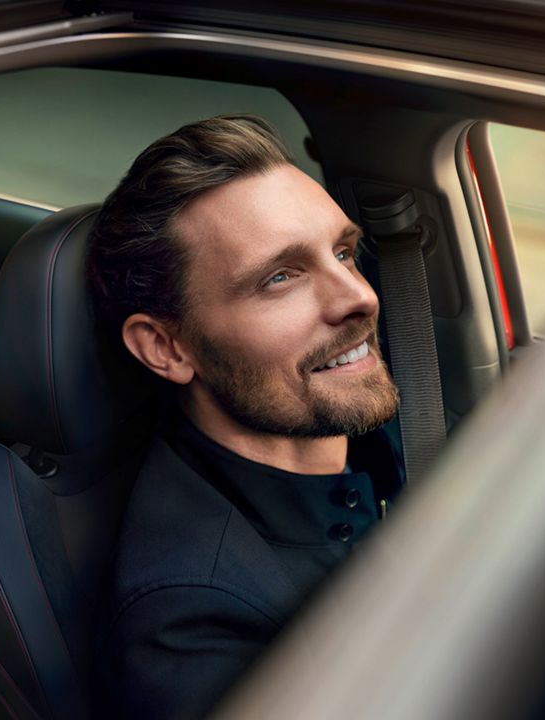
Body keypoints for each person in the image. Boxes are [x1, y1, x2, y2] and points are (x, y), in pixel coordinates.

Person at [87, 115, 403, 720]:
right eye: (280, 277)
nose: (358, 296)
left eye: (343, 252)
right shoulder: (194, 627)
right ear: (167, 347)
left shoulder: (366, 424)